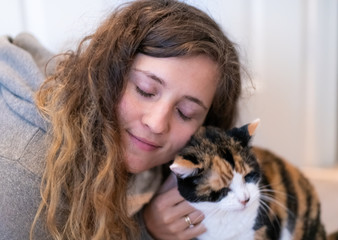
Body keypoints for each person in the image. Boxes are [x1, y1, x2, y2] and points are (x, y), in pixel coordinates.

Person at [0, 0, 243, 239]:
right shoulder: (25, 174)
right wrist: (144, 230)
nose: (157, 124)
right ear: (105, 74)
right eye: (145, 90)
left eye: (186, 112)